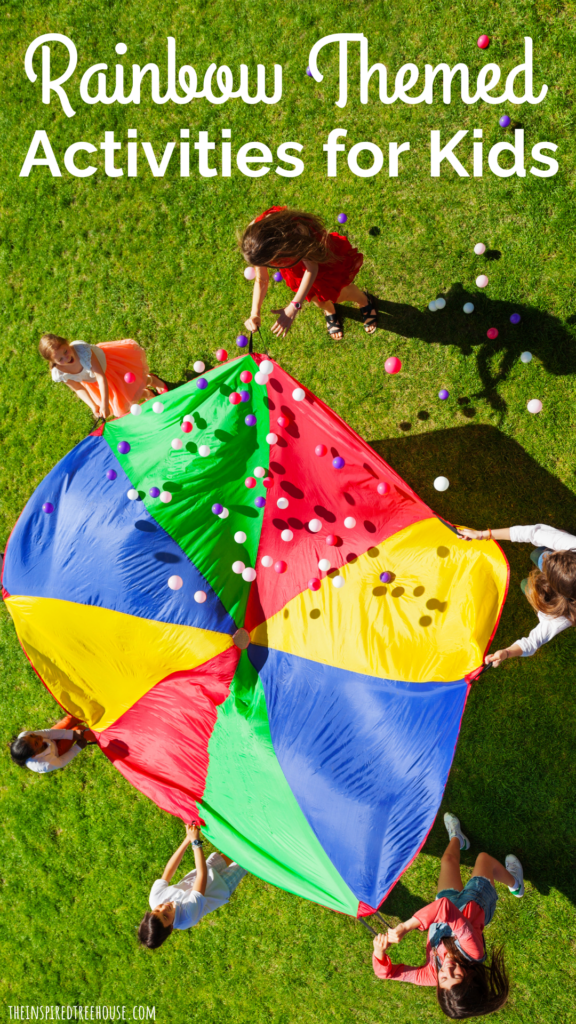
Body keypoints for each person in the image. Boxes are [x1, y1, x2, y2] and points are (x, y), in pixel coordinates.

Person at [372, 813, 523, 1019]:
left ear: (438, 986)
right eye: (456, 976)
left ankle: (458, 839)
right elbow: (444, 909)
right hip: (476, 902)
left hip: (448, 908)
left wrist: (379, 952)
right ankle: (515, 883)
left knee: (448, 860)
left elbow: (386, 974)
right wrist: (405, 927)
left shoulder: (431, 974)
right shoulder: (473, 952)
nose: (448, 970)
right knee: (484, 859)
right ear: (471, 978)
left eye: (444, 979)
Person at [240, 206, 378, 341]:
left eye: (269, 263)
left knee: (340, 294)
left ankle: (363, 300)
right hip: (297, 271)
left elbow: (312, 268)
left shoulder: (295, 232)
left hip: (320, 262)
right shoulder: (254, 240)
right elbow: (262, 279)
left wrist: (294, 306)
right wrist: (254, 313)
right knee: (319, 300)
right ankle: (329, 309)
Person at [457, 524, 576, 665]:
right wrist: (482, 534)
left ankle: (546, 552)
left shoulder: (564, 615)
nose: (552, 553)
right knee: (538, 555)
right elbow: (532, 533)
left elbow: (533, 641)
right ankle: (547, 549)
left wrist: (507, 652)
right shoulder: (572, 545)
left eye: (555, 553)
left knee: (526, 584)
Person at [138, 823, 247, 949]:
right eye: (165, 917)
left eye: (157, 910)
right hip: (222, 886)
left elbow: (169, 870)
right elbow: (202, 877)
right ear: (171, 928)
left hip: (206, 869)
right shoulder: (188, 916)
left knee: (231, 852)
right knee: (247, 858)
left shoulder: (155, 899)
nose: (164, 908)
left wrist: (187, 840)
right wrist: (195, 842)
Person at [38, 333, 166, 420]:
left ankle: (151, 380)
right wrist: (94, 405)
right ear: (54, 362)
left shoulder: (82, 351)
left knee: (134, 382)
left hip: (109, 369)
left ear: (67, 343)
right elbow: (78, 388)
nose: (66, 357)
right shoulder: (59, 372)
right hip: (94, 384)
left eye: (65, 351)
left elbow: (100, 376)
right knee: (124, 398)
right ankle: (146, 394)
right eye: (60, 359)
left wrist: (104, 404)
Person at [9, 713, 97, 773]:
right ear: (34, 754)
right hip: (57, 751)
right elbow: (61, 761)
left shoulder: (25, 736)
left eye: (32, 735)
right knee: (78, 730)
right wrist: (78, 747)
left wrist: (71, 734)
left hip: (51, 738)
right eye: (36, 743)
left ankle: (93, 712)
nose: (38, 737)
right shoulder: (44, 764)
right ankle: (100, 736)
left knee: (69, 719)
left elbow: (48, 733)